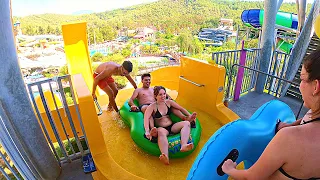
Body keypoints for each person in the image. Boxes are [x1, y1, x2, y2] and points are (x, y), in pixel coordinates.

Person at [222, 50, 320, 179]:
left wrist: (229, 169)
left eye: (302, 78)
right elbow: (307, 119)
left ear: (316, 87)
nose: (300, 86)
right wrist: (290, 125)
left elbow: (251, 177)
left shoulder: (289, 139)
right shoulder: (313, 112)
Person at [144, 86, 195, 165]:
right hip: (162, 128)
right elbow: (146, 118)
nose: (163, 96)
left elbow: (181, 108)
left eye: (164, 94)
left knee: (187, 123)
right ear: (155, 96)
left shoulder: (168, 102)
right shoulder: (152, 106)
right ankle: (166, 156)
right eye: (160, 94)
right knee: (160, 131)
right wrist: (147, 131)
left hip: (172, 126)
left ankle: (184, 145)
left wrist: (189, 115)